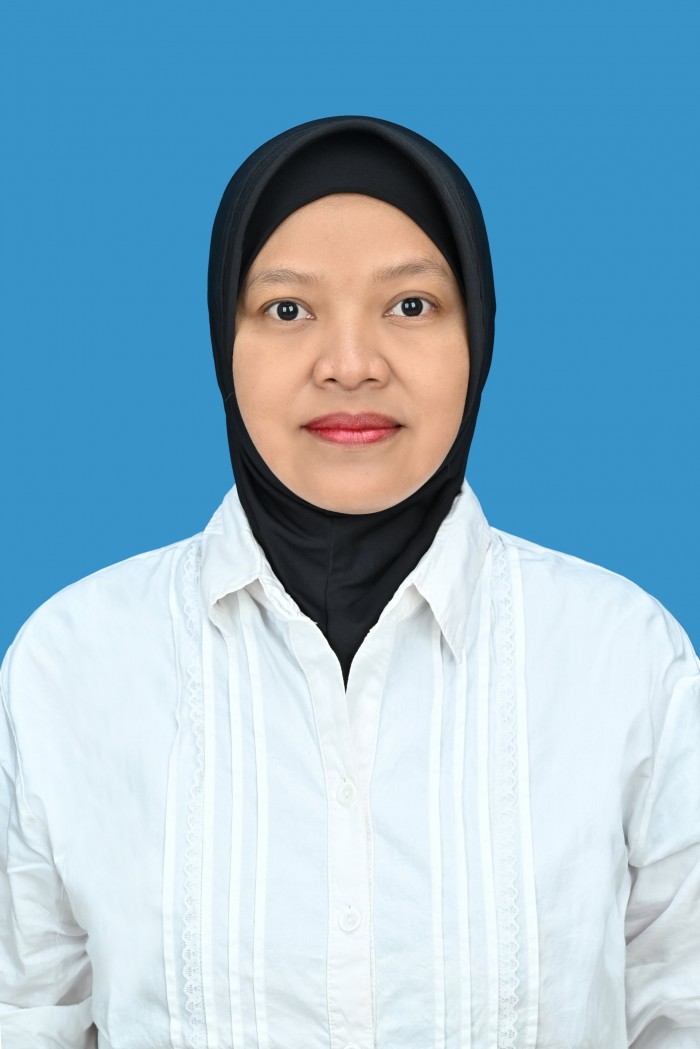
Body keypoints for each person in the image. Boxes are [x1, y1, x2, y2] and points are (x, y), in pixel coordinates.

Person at [0, 114, 698, 1049]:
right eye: (288, 310)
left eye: (409, 305)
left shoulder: (625, 659)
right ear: (224, 338)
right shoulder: (71, 664)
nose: (351, 366)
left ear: (478, 331)